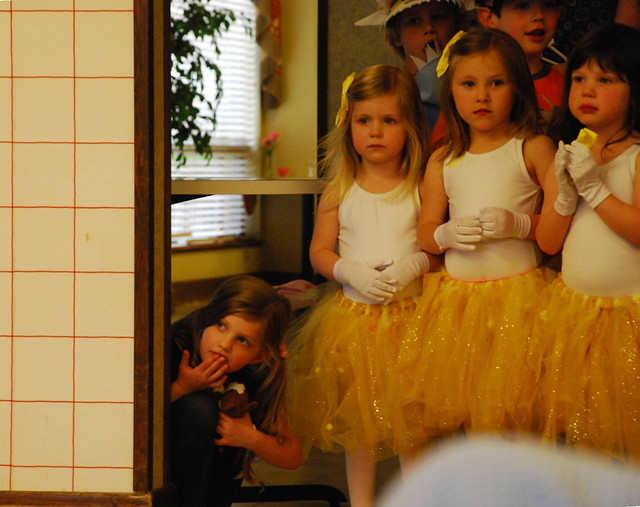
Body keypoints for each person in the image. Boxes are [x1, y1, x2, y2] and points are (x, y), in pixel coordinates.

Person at [394, 28, 556, 443]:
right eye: (468, 84)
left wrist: (521, 225)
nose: (482, 97)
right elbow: (425, 231)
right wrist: (445, 234)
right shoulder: (444, 159)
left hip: (520, 303)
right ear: (451, 91)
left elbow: (562, 225)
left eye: (496, 83)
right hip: (457, 306)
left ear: (517, 87)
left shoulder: (533, 148)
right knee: (471, 416)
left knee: (518, 415)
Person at [288, 64, 439, 507]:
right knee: (359, 427)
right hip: (355, 325)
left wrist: (415, 264)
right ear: (348, 124)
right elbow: (319, 251)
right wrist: (350, 271)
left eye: (389, 120)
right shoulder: (340, 189)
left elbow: (438, 249)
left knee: (414, 428)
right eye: (364, 120)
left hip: (413, 322)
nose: (375, 131)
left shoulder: (422, 185)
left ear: (410, 126)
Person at [534, 23, 640, 462]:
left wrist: (595, 189)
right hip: (575, 316)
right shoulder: (569, 152)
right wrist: (564, 194)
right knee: (585, 435)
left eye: (606, 79)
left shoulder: (637, 155)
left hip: (628, 320)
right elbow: (548, 242)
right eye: (579, 78)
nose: (587, 90)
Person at [169, 275, 302, 507]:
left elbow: (292, 456)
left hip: (216, 483)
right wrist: (182, 388)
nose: (224, 344)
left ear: (259, 355)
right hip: (166, 472)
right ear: (207, 317)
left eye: (242, 340)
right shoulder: (174, 347)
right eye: (221, 325)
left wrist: (250, 437)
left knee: (232, 421)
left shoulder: (253, 373)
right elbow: (130, 419)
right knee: (200, 409)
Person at [356, 0, 470, 143]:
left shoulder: (475, 88)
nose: (429, 28)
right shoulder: (388, 92)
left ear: (457, 26)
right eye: (414, 21)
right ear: (396, 35)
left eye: (438, 17)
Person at [477, 0, 564, 126]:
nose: (539, 16)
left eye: (547, 5)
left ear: (558, 13)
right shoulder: (474, 86)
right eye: (522, 6)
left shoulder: (570, 85)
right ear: (490, 19)